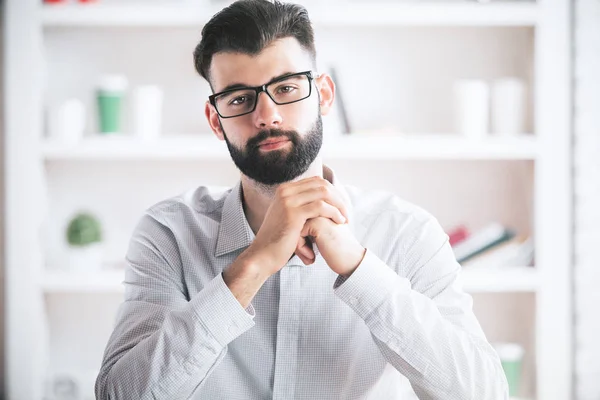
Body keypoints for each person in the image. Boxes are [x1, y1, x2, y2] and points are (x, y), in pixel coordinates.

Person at [95, 1, 509, 398]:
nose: (268, 115)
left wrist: (360, 268)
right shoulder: (169, 233)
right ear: (215, 121)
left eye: (287, 88)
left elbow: (483, 393)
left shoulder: (405, 232)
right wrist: (253, 264)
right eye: (239, 99)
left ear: (324, 95)